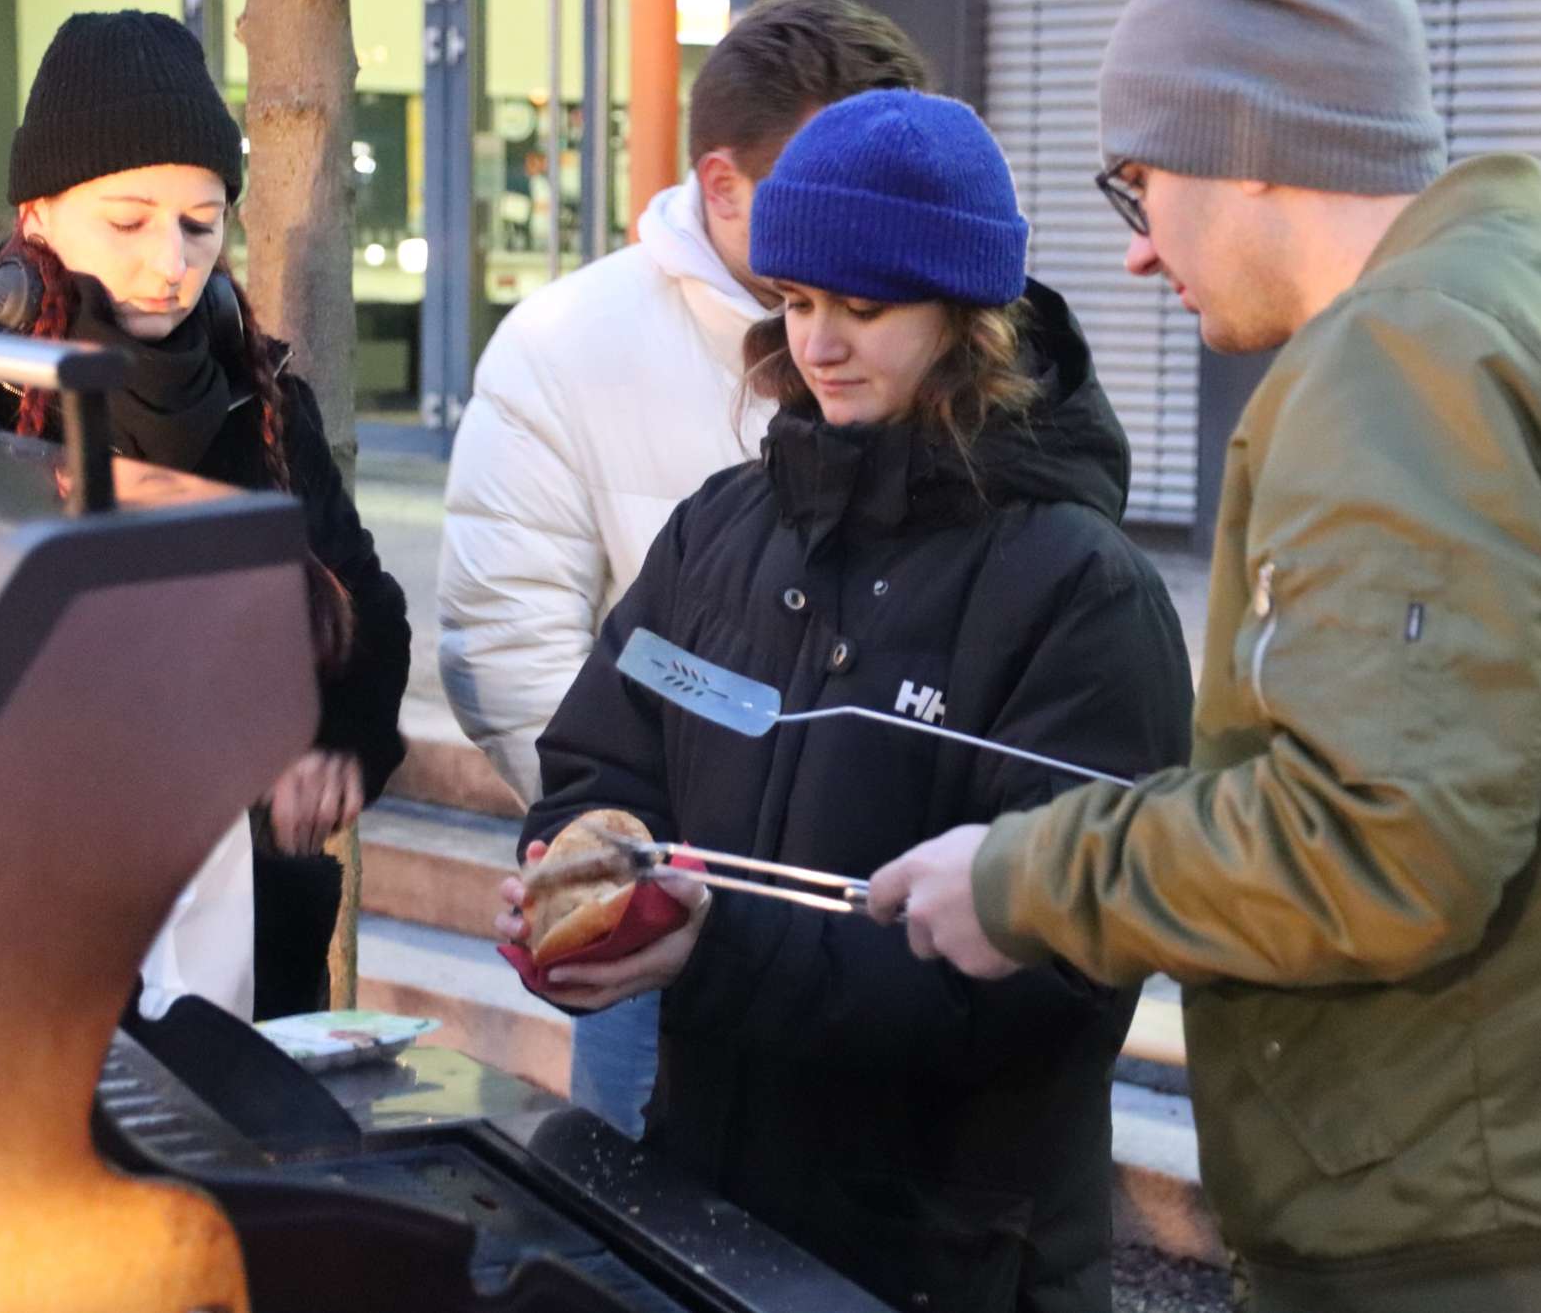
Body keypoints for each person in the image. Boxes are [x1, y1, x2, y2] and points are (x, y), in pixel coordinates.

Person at [867, 0, 1541, 1313]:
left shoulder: (1400, 356)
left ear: (1253, 147)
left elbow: (1384, 843)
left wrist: (1024, 879)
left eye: (1141, 180)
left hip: (1497, 1253)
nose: (1138, 247)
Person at [492, 89, 1192, 1313]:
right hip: (710, 1209)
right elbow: (604, 761)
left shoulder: (1082, 593)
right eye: (798, 303)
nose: (818, 344)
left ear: (970, 318)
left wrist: (711, 948)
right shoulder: (718, 529)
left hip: (952, 1263)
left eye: (864, 309)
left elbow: (1054, 977)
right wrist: (576, 872)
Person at [0, 10, 410, 1021]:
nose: (169, 261)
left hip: (223, 962)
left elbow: (366, 606)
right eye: (127, 221)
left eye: (200, 223)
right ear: (35, 217)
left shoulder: (258, 397)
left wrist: (333, 740)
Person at [438, 0, 929, 1138]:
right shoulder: (568, 347)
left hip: (887, 948)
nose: (830, 324)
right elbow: (512, 649)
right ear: (722, 186)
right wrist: (633, 873)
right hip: (656, 931)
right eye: (822, 192)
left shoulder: (939, 353)